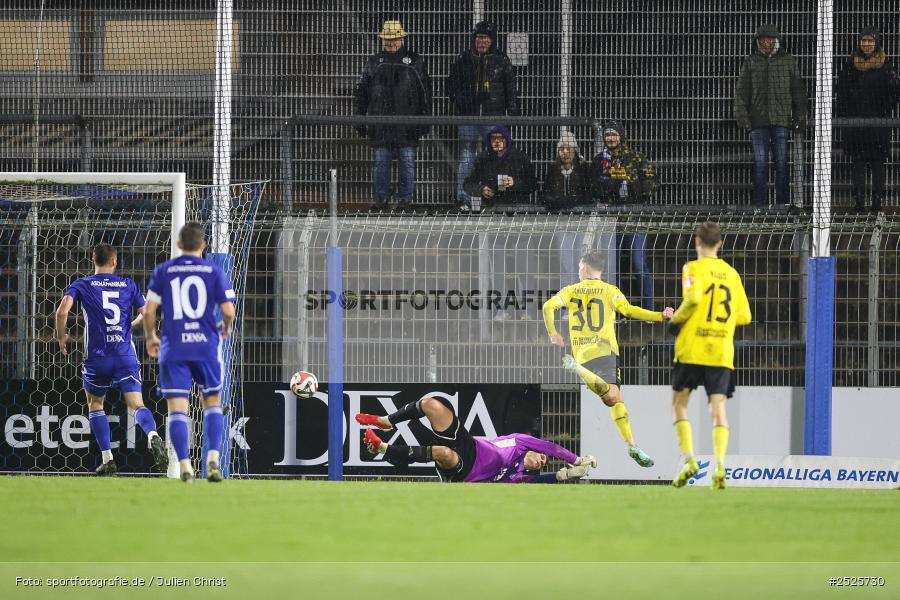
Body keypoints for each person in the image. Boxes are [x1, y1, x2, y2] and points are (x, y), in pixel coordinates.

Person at [542, 251, 674, 468]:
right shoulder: (611, 291)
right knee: (612, 397)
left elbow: (548, 306)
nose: (578, 271)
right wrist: (659, 316)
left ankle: (632, 445)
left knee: (615, 398)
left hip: (582, 355)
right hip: (605, 351)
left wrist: (553, 333)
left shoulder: (570, 290)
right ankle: (631, 445)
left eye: (579, 267)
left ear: (585, 268)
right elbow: (629, 311)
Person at [54, 243, 167, 475]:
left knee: (95, 404)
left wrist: (62, 336)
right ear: (114, 261)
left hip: (97, 358)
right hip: (124, 355)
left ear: (93, 260)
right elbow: (147, 313)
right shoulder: (128, 284)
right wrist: (135, 328)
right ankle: (152, 435)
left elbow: (62, 311)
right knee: (137, 405)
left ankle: (108, 459)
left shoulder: (82, 284)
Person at [143, 223, 237, 483]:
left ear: (178, 245)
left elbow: (149, 311)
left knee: (178, 409)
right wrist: (226, 327)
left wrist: (151, 337)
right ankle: (213, 459)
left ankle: (185, 465)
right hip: (206, 347)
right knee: (212, 402)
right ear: (203, 246)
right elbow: (228, 311)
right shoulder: (214, 270)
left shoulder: (164, 270)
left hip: (174, 348)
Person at [668, 222, 751, 490]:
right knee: (718, 410)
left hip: (692, 348)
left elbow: (692, 300)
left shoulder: (692, 268)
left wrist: (676, 321)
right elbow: (745, 316)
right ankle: (720, 466)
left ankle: (690, 461)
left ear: (696, 242)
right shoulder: (732, 274)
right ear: (720, 244)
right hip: (720, 351)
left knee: (679, 405)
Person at [356, 397, 596, 483]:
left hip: (465, 471)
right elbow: (549, 447)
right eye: (542, 458)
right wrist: (576, 459)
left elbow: (540, 481)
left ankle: (383, 448)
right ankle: (386, 421)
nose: (541, 461)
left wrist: (564, 474)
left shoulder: (518, 476)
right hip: (469, 444)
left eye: (542, 465)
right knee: (432, 405)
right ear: (532, 451)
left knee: (443, 453)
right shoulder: (521, 442)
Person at [353, 20, 432, 210]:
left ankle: (404, 200)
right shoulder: (374, 62)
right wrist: (359, 118)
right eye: (388, 39)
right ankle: (381, 199)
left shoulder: (414, 61)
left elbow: (425, 93)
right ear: (382, 40)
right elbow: (362, 92)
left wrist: (425, 119)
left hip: (407, 125)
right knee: (382, 164)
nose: (391, 42)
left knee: (406, 164)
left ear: (402, 39)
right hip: (381, 125)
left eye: (395, 38)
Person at [448, 20, 520, 211]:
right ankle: (463, 198)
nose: (481, 42)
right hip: (468, 116)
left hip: (493, 116)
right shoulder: (464, 59)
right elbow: (452, 86)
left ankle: (498, 197)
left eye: (485, 38)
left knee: (497, 156)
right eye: (479, 38)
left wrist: (512, 109)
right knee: (467, 156)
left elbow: (510, 87)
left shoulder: (501, 60)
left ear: (492, 40)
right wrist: (465, 100)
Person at [734, 24, 808, 206]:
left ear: (775, 40)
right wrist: (742, 117)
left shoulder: (787, 61)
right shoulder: (751, 61)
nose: (766, 42)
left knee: (781, 164)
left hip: (781, 121)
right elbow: (742, 92)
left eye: (769, 39)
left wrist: (800, 115)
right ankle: (759, 207)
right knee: (760, 164)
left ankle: (781, 206)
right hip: (758, 122)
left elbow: (798, 90)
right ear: (758, 41)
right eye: (762, 39)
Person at [590, 120, 658, 310]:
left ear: (621, 136)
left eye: (614, 134)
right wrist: (612, 183)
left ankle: (648, 310)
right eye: (607, 135)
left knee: (638, 264)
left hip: (635, 220)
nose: (610, 138)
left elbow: (653, 183)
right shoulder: (599, 161)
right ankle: (615, 310)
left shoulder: (636, 158)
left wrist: (632, 183)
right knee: (612, 267)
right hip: (610, 221)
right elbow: (593, 188)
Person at [835, 28, 900, 212]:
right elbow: (841, 91)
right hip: (856, 125)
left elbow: (895, 91)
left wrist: (883, 110)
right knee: (858, 164)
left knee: (878, 163)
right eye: (864, 41)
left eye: (870, 41)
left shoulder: (886, 65)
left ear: (876, 43)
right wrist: (848, 113)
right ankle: (859, 204)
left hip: (878, 124)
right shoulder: (850, 65)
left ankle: (877, 204)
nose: (867, 44)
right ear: (859, 43)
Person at [543, 131, 593, 289]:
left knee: (581, 263)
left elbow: (589, 194)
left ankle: (581, 297)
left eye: (569, 148)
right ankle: (568, 300)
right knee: (566, 264)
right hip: (562, 222)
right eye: (562, 149)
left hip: (581, 222)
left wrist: (573, 200)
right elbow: (545, 195)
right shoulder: (553, 170)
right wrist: (559, 202)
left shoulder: (584, 169)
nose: (565, 152)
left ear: (575, 150)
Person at [463, 125, 535, 207]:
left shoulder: (520, 158)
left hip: (516, 205)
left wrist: (514, 183)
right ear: (489, 141)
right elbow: (467, 184)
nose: (497, 141)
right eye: (493, 138)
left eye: (501, 138)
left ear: (507, 139)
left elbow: (532, 184)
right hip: (490, 206)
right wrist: (481, 189)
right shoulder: (483, 159)